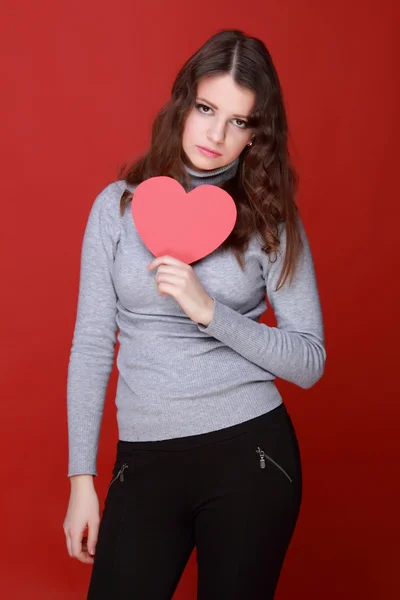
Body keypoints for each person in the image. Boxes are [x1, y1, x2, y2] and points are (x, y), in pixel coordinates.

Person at [63, 28, 326, 600]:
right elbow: (89, 345)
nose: (215, 133)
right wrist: (81, 478)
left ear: (257, 134)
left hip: (249, 456)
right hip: (145, 459)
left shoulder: (272, 218)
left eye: (239, 120)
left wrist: (211, 312)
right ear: (182, 102)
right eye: (207, 108)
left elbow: (309, 359)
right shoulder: (117, 206)